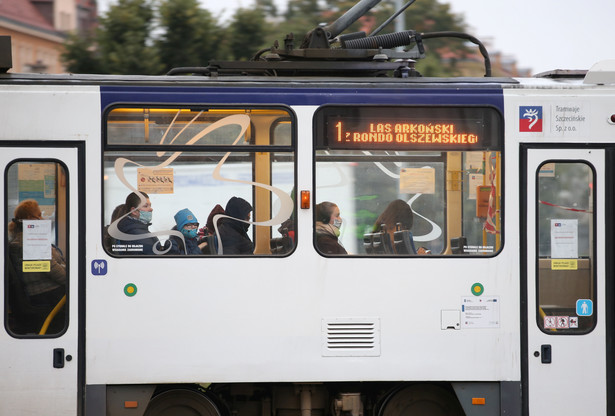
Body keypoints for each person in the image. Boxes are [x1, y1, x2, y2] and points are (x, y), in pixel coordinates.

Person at [7, 199, 66, 330]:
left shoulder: (21, 240)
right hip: (46, 294)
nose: (42, 218)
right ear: (30, 218)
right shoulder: (31, 241)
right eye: (39, 215)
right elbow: (53, 270)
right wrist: (74, 280)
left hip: (41, 292)